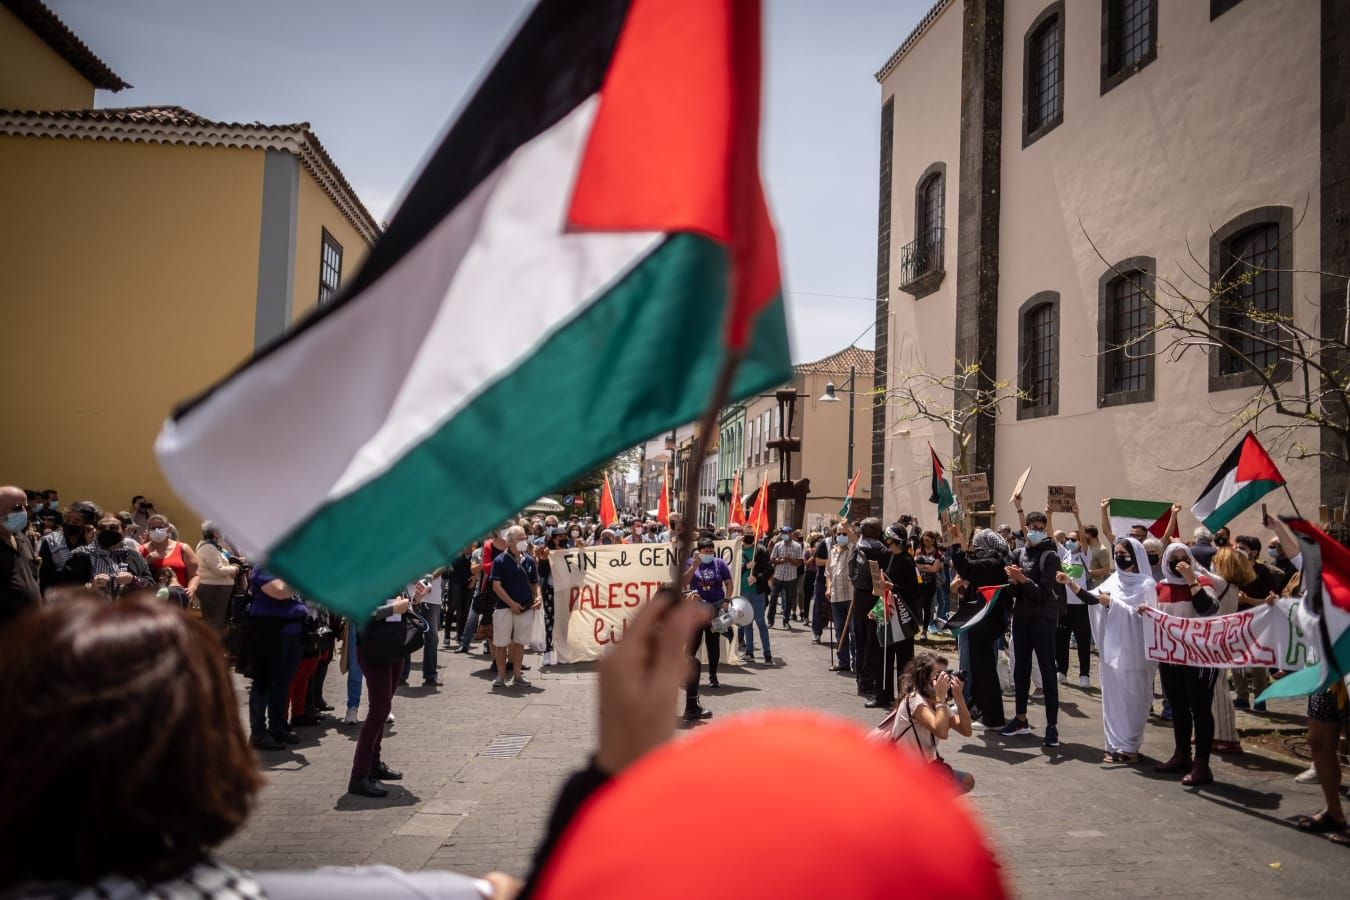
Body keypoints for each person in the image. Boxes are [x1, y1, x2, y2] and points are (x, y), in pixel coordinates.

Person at [1059, 537, 1156, 763]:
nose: (1120, 558)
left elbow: (1145, 617)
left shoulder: (1146, 585)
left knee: (1133, 700)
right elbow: (1093, 598)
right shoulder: (1113, 580)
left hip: (1134, 653)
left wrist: (1112, 604)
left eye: (1124, 554)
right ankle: (1114, 744)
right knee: (1113, 700)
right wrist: (1070, 583)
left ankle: (1130, 747)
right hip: (1112, 650)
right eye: (1118, 554)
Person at [1153, 542, 1226, 786]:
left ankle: (1202, 764)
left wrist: (1191, 578)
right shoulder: (1161, 586)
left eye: (1185, 557)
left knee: (1200, 708)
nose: (1179, 561)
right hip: (1171, 657)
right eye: (1174, 557)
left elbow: (1207, 609)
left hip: (1199, 657)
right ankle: (1182, 754)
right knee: (1178, 706)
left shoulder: (1203, 583)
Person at [349, 583, 427, 797]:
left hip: (393, 645)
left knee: (383, 709)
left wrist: (413, 601)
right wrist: (394, 609)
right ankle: (359, 775)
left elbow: (399, 605)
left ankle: (373, 764)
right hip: (374, 649)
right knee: (378, 710)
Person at [999, 509, 1065, 747]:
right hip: (1023, 618)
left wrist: (1022, 580)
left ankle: (1052, 727)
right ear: (1025, 528)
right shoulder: (1018, 554)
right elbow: (1014, 591)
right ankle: (1020, 719)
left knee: (1047, 671)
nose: (1036, 531)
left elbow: (1042, 593)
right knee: (1021, 670)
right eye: (1033, 527)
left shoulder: (1051, 556)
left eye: (1041, 527)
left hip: (1044, 619)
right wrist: (1012, 581)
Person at [946, 522, 1010, 729]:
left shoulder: (992, 563)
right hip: (980, 622)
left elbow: (965, 567)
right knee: (979, 668)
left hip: (986, 623)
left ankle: (993, 718)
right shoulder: (992, 563)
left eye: (977, 546)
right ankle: (978, 709)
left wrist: (957, 544)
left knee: (985, 670)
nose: (975, 549)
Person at [887, 650, 975, 794]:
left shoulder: (937, 701)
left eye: (945, 675)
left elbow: (966, 730)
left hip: (924, 768)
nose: (943, 680)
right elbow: (941, 731)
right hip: (903, 770)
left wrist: (959, 698)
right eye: (938, 676)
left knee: (966, 781)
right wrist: (941, 698)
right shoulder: (914, 700)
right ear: (924, 679)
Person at [244, 567, 308, 751]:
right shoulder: (264, 567)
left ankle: (277, 727)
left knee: (283, 682)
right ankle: (258, 733)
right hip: (270, 633)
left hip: (293, 633)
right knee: (265, 682)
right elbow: (280, 592)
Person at [872, 524, 919, 709]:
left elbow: (914, 590)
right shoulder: (892, 557)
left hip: (904, 617)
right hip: (889, 614)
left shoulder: (907, 560)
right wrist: (876, 609)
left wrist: (894, 588)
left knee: (904, 659)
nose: (886, 541)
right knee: (884, 655)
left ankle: (905, 698)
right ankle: (882, 696)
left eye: (889, 538)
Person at [490, 525, 540, 689]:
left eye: (525, 537)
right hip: (504, 608)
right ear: (510, 542)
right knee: (501, 643)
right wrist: (511, 604)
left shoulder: (529, 560)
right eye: (521, 538)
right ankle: (500, 676)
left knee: (520, 643)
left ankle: (517, 675)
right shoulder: (500, 561)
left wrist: (538, 596)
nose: (525, 541)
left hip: (525, 607)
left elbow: (535, 582)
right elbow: (496, 586)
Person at [60, 513, 154, 598]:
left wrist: (133, 580)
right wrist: (91, 587)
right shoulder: (80, 555)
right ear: (96, 531)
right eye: (102, 528)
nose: (107, 530)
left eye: (113, 527)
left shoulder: (135, 556)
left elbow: (151, 587)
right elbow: (64, 591)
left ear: (125, 532)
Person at [684, 537, 733, 694]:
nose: (709, 554)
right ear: (699, 552)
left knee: (713, 643)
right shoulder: (691, 562)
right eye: (706, 551)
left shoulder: (720, 563)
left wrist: (726, 600)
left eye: (711, 551)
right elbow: (684, 581)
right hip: (696, 611)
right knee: (692, 645)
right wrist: (694, 566)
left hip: (716, 610)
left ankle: (713, 676)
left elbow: (729, 583)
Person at [848, 518, 888, 703]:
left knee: (861, 639)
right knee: (872, 641)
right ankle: (866, 680)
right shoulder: (880, 549)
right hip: (875, 597)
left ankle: (861, 679)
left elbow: (852, 573)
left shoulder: (858, 546)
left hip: (860, 597)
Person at [1055, 527, 1094, 688]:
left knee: (1083, 642)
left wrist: (1077, 516)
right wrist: (1049, 515)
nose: (1070, 542)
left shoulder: (1085, 555)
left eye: (1074, 539)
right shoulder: (1065, 555)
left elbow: (1084, 540)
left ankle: (1084, 674)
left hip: (1081, 606)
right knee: (1061, 640)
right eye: (1068, 540)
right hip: (1065, 606)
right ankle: (1062, 671)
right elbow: (1053, 538)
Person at [0, 485, 40, 633]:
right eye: (17, 507)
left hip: (28, 630)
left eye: (26, 507)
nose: (23, 512)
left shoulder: (22, 538)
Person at [37, 499, 99, 594]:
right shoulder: (51, 541)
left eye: (76, 521)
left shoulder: (94, 543)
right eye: (68, 520)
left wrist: (90, 543)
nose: (70, 524)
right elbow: (45, 575)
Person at [194, 520, 241, 638]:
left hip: (218, 587)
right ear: (215, 533)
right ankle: (213, 649)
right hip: (214, 588)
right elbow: (218, 569)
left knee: (218, 621)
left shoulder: (213, 547)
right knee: (215, 622)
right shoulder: (209, 548)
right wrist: (235, 569)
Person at [140, 513, 199, 605]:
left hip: (178, 599)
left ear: (169, 529)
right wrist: (146, 562)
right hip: (151, 601)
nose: (157, 530)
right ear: (148, 531)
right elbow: (136, 575)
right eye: (153, 528)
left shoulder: (183, 548)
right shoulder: (141, 550)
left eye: (160, 527)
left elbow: (195, 574)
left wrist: (192, 588)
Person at [737, 530, 774, 665]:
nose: (748, 534)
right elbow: (731, 569)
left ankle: (767, 654)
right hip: (742, 592)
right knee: (747, 623)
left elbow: (769, 569)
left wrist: (757, 578)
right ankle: (749, 652)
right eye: (746, 532)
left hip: (757, 593)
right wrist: (746, 567)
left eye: (751, 532)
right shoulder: (736, 550)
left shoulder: (760, 550)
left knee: (760, 623)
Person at [825, 520, 856, 672]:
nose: (841, 536)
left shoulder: (852, 549)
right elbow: (828, 573)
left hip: (850, 597)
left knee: (853, 632)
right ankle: (843, 662)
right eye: (839, 534)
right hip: (836, 597)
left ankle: (856, 662)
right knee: (839, 631)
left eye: (844, 534)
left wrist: (847, 528)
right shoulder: (832, 551)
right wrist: (828, 588)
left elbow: (855, 541)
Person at [768, 525, 803, 627]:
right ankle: (770, 621)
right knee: (773, 599)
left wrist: (790, 559)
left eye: (786, 533)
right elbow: (772, 559)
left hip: (790, 578)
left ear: (791, 534)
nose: (784, 535)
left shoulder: (797, 546)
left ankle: (786, 621)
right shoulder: (778, 545)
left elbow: (799, 563)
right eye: (783, 533)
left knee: (789, 601)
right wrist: (780, 561)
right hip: (778, 577)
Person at [913, 529, 943, 638]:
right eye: (924, 540)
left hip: (930, 584)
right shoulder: (919, 551)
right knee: (917, 605)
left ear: (933, 540)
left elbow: (935, 569)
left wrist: (922, 567)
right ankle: (915, 628)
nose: (926, 542)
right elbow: (914, 565)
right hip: (918, 583)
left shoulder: (937, 553)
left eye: (928, 540)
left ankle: (924, 631)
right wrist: (927, 566)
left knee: (927, 607)